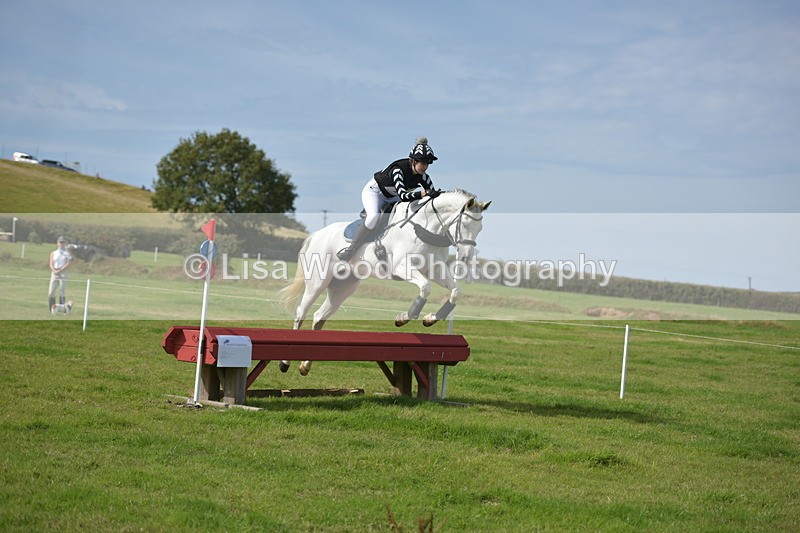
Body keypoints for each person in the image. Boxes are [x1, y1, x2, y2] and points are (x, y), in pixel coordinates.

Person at [337, 136, 442, 261]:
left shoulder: (424, 177)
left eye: (427, 164)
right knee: (373, 218)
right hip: (375, 192)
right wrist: (422, 194)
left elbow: (433, 197)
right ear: (413, 161)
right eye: (423, 163)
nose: (425, 167)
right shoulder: (398, 170)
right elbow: (404, 196)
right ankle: (351, 250)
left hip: (393, 197)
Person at [48, 236, 73, 312]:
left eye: (63, 242)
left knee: (62, 291)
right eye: (60, 242)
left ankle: (62, 309)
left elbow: (69, 263)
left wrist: (60, 270)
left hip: (63, 273)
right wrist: (54, 271)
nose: (62, 244)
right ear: (57, 243)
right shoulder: (53, 253)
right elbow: (51, 263)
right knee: (51, 292)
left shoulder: (67, 253)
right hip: (54, 273)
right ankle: (52, 309)